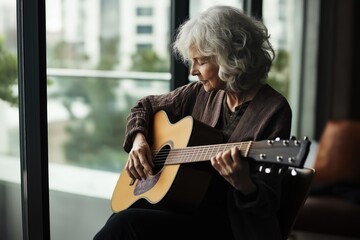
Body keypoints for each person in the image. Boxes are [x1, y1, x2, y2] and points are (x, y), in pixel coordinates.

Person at [94, 5, 292, 240]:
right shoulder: (200, 93)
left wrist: (244, 183)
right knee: (122, 217)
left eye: (200, 61)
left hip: (229, 225)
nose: (193, 71)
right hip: (186, 207)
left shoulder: (273, 109)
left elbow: (268, 203)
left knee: (126, 225)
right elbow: (144, 106)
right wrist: (138, 141)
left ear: (230, 58)